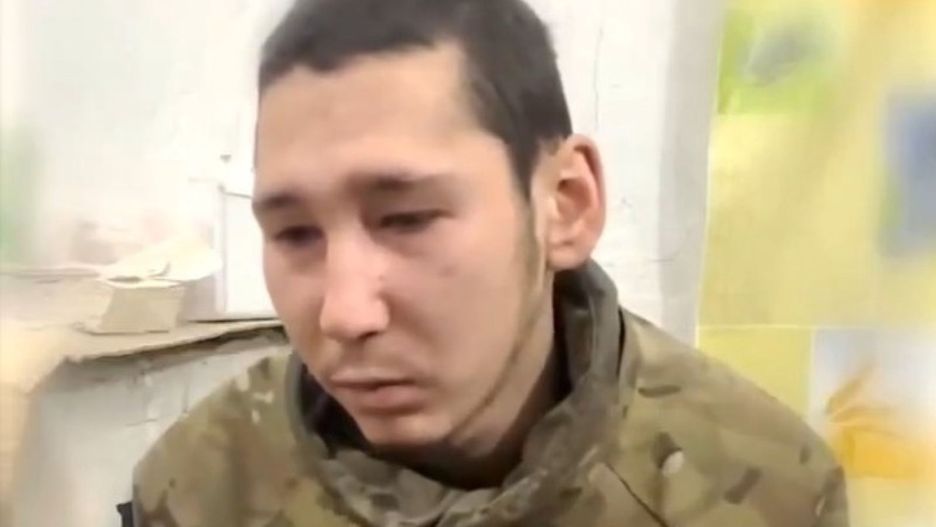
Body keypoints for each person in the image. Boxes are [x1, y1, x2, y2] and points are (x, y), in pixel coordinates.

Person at [131, 0, 849, 525]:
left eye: (407, 219)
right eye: (294, 234)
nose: (345, 313)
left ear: (565, 204)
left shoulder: (762, 488)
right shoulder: (201, 488)